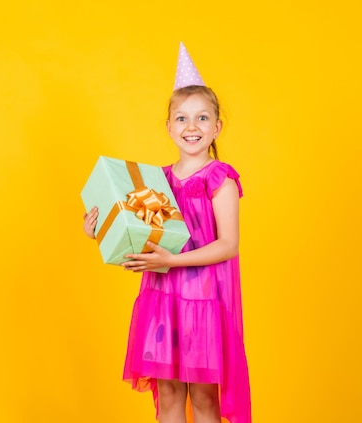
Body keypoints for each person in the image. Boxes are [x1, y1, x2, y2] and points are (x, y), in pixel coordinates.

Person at [83, 43, 251, 423]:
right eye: (182, 118)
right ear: (169, 126)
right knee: (170, 392)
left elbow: (228, 244)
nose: (192, 128)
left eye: (203, 118)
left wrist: (171, 260)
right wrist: (100, 229)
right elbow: (139, 230)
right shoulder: (154, 180)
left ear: (217, 127)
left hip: (205, 302)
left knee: (205, 398)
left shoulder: (220, 180)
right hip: (162, 298)